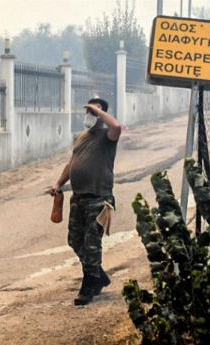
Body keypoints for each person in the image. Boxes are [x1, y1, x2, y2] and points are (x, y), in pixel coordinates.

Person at [50, 97, 122, 306]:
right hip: (78, 198)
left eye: (94, 111)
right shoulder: (81, 137)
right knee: (75, 240)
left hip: (99, 199)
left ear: (102, 114)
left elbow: (116, 125)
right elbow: (72, 163)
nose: (89, 115)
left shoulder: (108, 135)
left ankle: (88, 286)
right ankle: (98, 274)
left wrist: (98, 111)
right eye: (88, 111)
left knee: (92, 244)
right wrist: (59, 183)